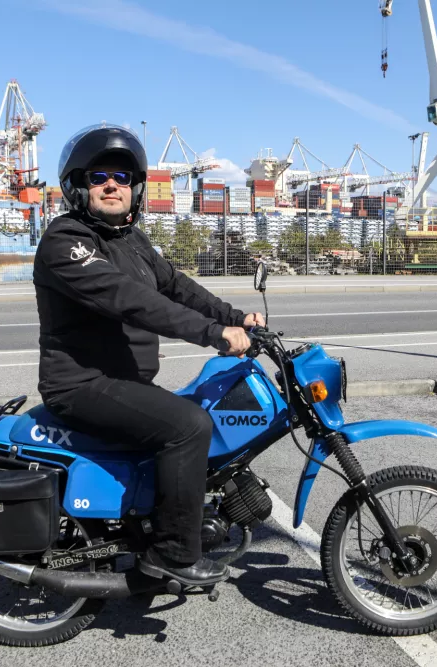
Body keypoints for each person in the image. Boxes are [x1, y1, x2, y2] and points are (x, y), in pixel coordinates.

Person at [33, 124, 265, 586]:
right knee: (187, 427)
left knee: (204, 410)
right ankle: (172, 554)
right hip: (82, 386)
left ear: (136, 188)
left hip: (123, 382)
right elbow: (131, 300)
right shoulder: (67, 242)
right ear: (79, 186)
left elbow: (176, 287)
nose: (112, 185)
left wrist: (237, 318)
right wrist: (214, 333)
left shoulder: (130, 240)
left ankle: (159, 523)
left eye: (121, 176)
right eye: (99, 176)